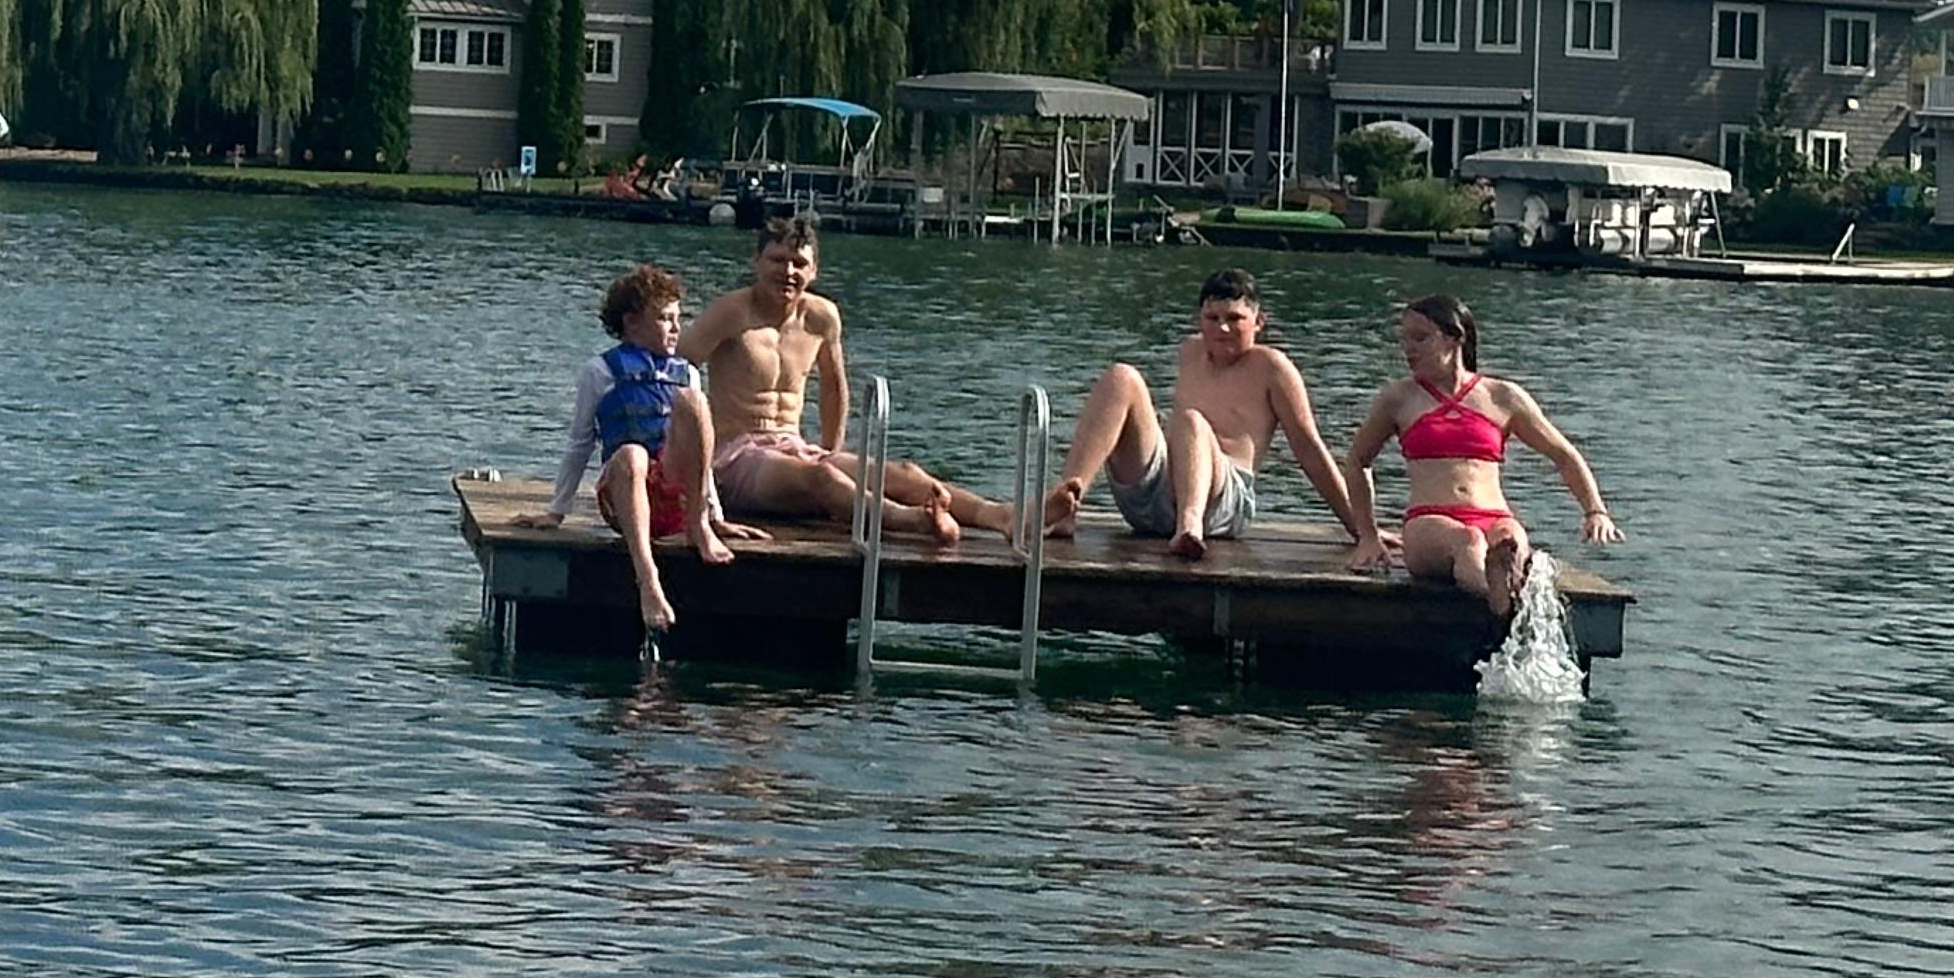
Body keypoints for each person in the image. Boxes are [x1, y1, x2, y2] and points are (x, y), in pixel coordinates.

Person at [681, 216, 1014, 546]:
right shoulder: (731, 312)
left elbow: (833, 386)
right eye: (777, 261)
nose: (788, 272)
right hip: (735, 457)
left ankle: (998, 515)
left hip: (793, 446)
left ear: (814, 271)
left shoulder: (821, 316)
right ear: (756, 262)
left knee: (903, 472)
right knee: (823, 477)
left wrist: (831, 449)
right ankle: (913, 519)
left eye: (799, 264)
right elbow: (676, 373)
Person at [1038, 269, 1383, 562]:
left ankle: (1190, 527)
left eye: (1235, 319)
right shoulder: (1189, 352)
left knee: (1191, 421)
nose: (1222, 329)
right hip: (1158, 492)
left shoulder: (1272, 367)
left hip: (1221, 504)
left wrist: (1361, 529)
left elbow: (1309, 448)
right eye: (1212, 319)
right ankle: (1066, 507)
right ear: (1198, 319)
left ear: (1259, 322)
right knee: (1121, 377)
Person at [1342, 289, 1621, 609]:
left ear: (1454, 339)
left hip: (1493, 514)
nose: (1408, 350)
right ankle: (1500, 599)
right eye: (1405, 340)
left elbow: (1563, 454)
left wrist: (1594, 511)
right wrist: (1368, 535)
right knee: (1467, 541)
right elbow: (1358, 460)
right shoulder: (1398, 399)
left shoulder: (1502, 397)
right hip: (1429, 520)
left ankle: (1504, 584)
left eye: (1420, 339)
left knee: (1509, 540)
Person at [547, 263, 737, 632]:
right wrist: (557, 511)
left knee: (695, 404)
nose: (677, 328)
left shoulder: (687, 373)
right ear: (632, 323)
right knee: (632, 453)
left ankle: (700, 527)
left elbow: (701, 456)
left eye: (678, 318)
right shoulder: (599, 371)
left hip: (675, 499)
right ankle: (648, 581)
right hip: (626, 498)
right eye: (665, 319)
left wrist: (716, 514)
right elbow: (579, 442)